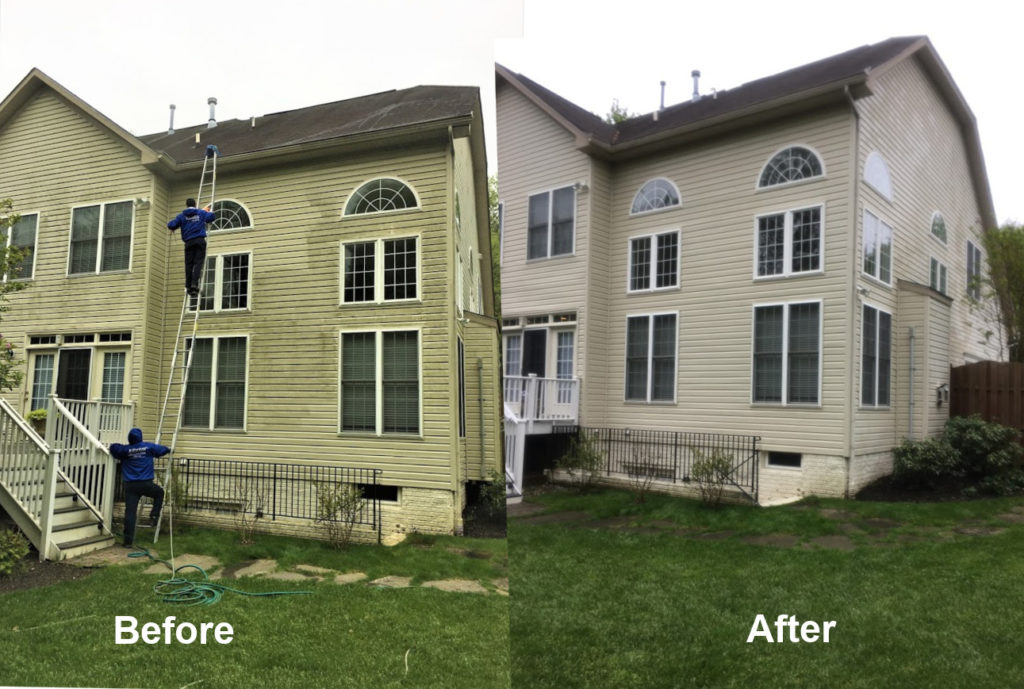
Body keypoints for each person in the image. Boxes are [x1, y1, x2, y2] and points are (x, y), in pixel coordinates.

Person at [109, 428, 170, 547]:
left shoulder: (124, 450)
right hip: (146, 484)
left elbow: (113, 447)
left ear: (129, 438)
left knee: (130, 513)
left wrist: (124, 447)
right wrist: (168, 449)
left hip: (130, 486)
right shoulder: (148, 447)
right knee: (159, 493)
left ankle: (127, 542)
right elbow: (162, 450)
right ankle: (154, 514)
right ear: (140, 437)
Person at [167, 198, 215, 296]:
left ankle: (188, 286)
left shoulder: (182, 216)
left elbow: (171, 225)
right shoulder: (200, 213)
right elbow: (211, 217)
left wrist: (175, 226)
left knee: (189, 264)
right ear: (195, 203)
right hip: (199, 241)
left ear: (186, 205)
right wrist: (207, 211)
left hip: (188, 243)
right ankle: (194, 284)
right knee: (198, 263)